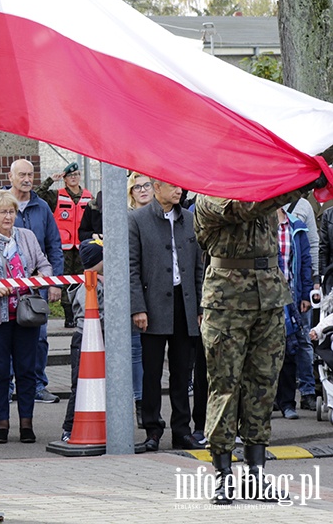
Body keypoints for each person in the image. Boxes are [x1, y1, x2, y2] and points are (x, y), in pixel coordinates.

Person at [194, 179, 320, 505]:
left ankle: (257, 474)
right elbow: (248, 206)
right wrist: (299, 184)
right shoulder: (209, 193)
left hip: (269, 299)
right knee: (225, 388)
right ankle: (223, 475)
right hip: (227, 302)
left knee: (263, 388)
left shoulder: (259, 185)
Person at [129, 179, 203, 451]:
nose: (179, 190)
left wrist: (199, 308)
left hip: (185, 303)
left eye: (180, 186)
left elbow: (199, 266)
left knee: (183, 372)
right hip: (153, 304)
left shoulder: (190, 219)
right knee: (151, 372)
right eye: (171, 186)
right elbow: (132, 267)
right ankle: (152, 429)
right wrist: (138, 306)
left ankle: (182, 430)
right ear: (156, 188)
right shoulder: (137, 220)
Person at [0, 190, 53, 444]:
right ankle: (1, 424)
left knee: (26, 371)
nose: (8, 216)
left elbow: (44, 264)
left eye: (11, 211)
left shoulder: (27, 237)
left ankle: (26, 424)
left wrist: (39, 280)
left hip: (26, 316)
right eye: (3, 211)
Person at [7, 159, 63, 401]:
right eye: (22, 175)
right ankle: (7, 388)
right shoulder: (0, 205)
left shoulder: (42, 207)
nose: (27, 179)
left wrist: (54, 283)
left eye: (30, 174)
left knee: (39, 338)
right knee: (6, 338)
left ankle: (38, 386)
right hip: (6, 287)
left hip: (37, 287)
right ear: (11, 177)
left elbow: (54, 246)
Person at [37, 161, 92, 329]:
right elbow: (38, 195)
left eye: (76, 175)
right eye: (70, 176)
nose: (74, 178)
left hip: (84, 246)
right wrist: (50, 180)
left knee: (83, 280)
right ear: (65, 179)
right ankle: (69, 317)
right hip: (64, 247)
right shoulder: (56, 195)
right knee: (65, 280)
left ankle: (81, 313)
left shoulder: (89, 196)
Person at [61, 238, 105, 442]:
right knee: (79, 386)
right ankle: (69, 428)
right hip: (85, 340)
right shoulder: (88, 286)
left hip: (100, 340)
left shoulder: (100, 281)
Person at [274, 207, 313, 420]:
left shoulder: (296, 225)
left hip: (291, 296)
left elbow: (305, 261)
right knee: (268, 351)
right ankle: (269, 400)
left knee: (291, 348)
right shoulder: (261, 222)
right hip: (269, 297)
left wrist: (305, 294)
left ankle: (288, 403)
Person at [127, 171, 153, 427]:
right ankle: (139, 403)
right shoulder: (128, 218)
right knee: (136, 353)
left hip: (161, 295)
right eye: (138, 188)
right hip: (137, 295)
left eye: (147, 186)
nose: (143, 190)